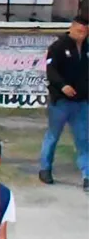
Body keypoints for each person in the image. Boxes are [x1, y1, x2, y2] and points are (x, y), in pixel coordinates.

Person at [38, 15, 88, 192]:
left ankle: (87, 175)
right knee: (53, 136)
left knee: (84, 140)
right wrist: (62, 85)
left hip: (82, 102)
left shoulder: (87, 47)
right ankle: (45, 169)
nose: (82, 35)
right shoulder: (58, 46)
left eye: (85, 32)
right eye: (79, 31)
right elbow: (50, 69)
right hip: (60, 102)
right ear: (72, 27)